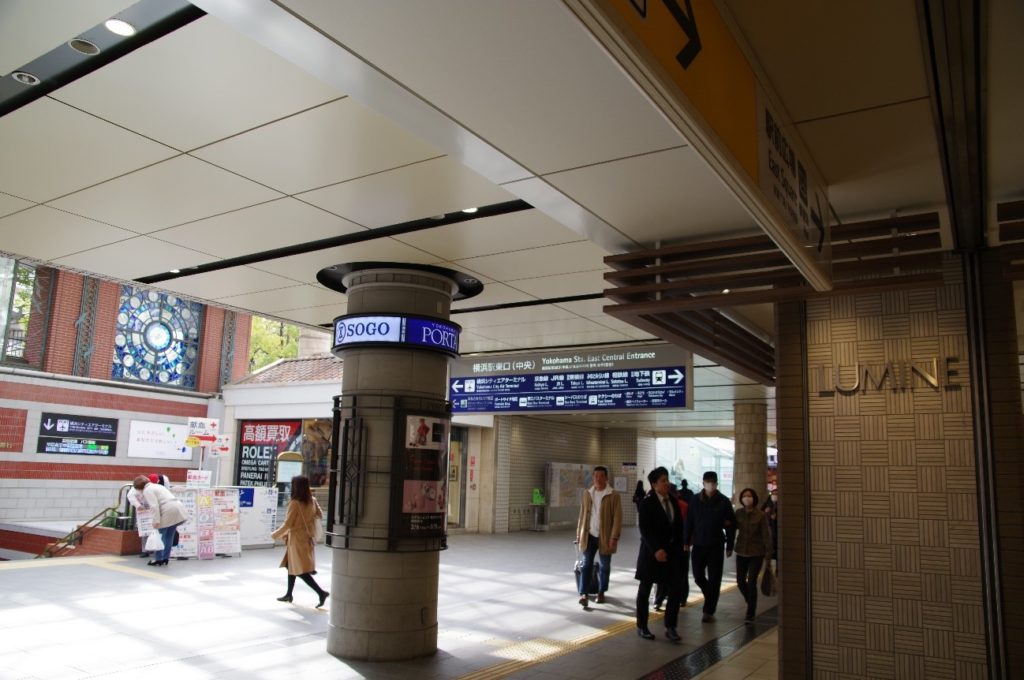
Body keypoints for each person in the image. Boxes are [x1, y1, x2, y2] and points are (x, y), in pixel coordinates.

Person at [634, 467, 685, 642]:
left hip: (671, 554)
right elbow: (645, 530)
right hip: (651, 554)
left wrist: (680, 547)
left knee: (675, 589)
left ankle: (671, 626)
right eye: (663, 480)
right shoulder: (647, 503)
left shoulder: (673, 500)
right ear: (654, 484)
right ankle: (642, 626)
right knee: (645, 589)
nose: (667, 483)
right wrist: (656, 550)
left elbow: (678, 526)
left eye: (667, 479)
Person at [685, 470, 736, 622]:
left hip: (716, 544)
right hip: (699, 544)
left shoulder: (723, 501)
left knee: (715, 578)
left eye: (713, 482)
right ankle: (710, 595)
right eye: (708, 482)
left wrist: (730, 545)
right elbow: (689, 522)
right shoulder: (695, 500)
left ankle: (708, 610)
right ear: (703, 483)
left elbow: (730, 525)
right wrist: (686, 541)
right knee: (698, 575)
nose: (711, 485)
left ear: (717, 483)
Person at [271, 475, 329, 607]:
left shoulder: (295, 503)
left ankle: (321, 592)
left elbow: (288, 524)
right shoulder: (312, 500)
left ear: (296, 487)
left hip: (296, 539)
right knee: (290, 565)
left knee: (299, 570)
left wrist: (274, 535)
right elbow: (320, 514)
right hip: (307, 538)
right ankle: (288, 594)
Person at [576, 465, 622, 607]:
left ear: (606, 478)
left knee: (605, 566)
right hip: (589, 535)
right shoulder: (587, 493)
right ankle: (584, 593)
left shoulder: (613, 495)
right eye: (595, 476)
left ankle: (601, 591)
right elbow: (582, 514)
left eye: (601, 476)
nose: (598, 479)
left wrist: (614, 537)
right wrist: (579, 532)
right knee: (586, 565)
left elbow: (617, 518)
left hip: (605, 536)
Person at [734, 487, 773, 623]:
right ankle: (750, 601)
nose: (747, 498)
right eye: (744, 496)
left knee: (751, 583)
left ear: (754, 498)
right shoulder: (738, 513)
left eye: (749, 496)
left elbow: (766, 535)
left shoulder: (760, 515)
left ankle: (750, 613)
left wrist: (768, 555)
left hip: (756, 553)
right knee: (740, 582)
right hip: (741, 552)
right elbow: (731, 527)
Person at [132, 475, 188, 567]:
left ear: (139, 487)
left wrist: (156, 521)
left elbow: (154, 506)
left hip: (167, 510)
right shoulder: (158, 486)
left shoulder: (147, 490)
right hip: (177, 507)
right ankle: (165, 558)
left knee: (160, 536)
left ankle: (158, 559)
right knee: (169, 536)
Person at [653, 482, 689, 612]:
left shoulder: (675, 506)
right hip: (680, 546)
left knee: (663, 575)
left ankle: (659, 600)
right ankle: (682, 598)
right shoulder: (684, 506)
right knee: (681, 574)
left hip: (671, 546)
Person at [761, 488, 779, 564]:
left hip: (777, 528)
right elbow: (761, 512)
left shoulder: (781, 504)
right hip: (769, 526)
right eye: (773, 494)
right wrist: (766, 512)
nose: (774, 495)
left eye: (776, 494)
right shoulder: (768, 503)